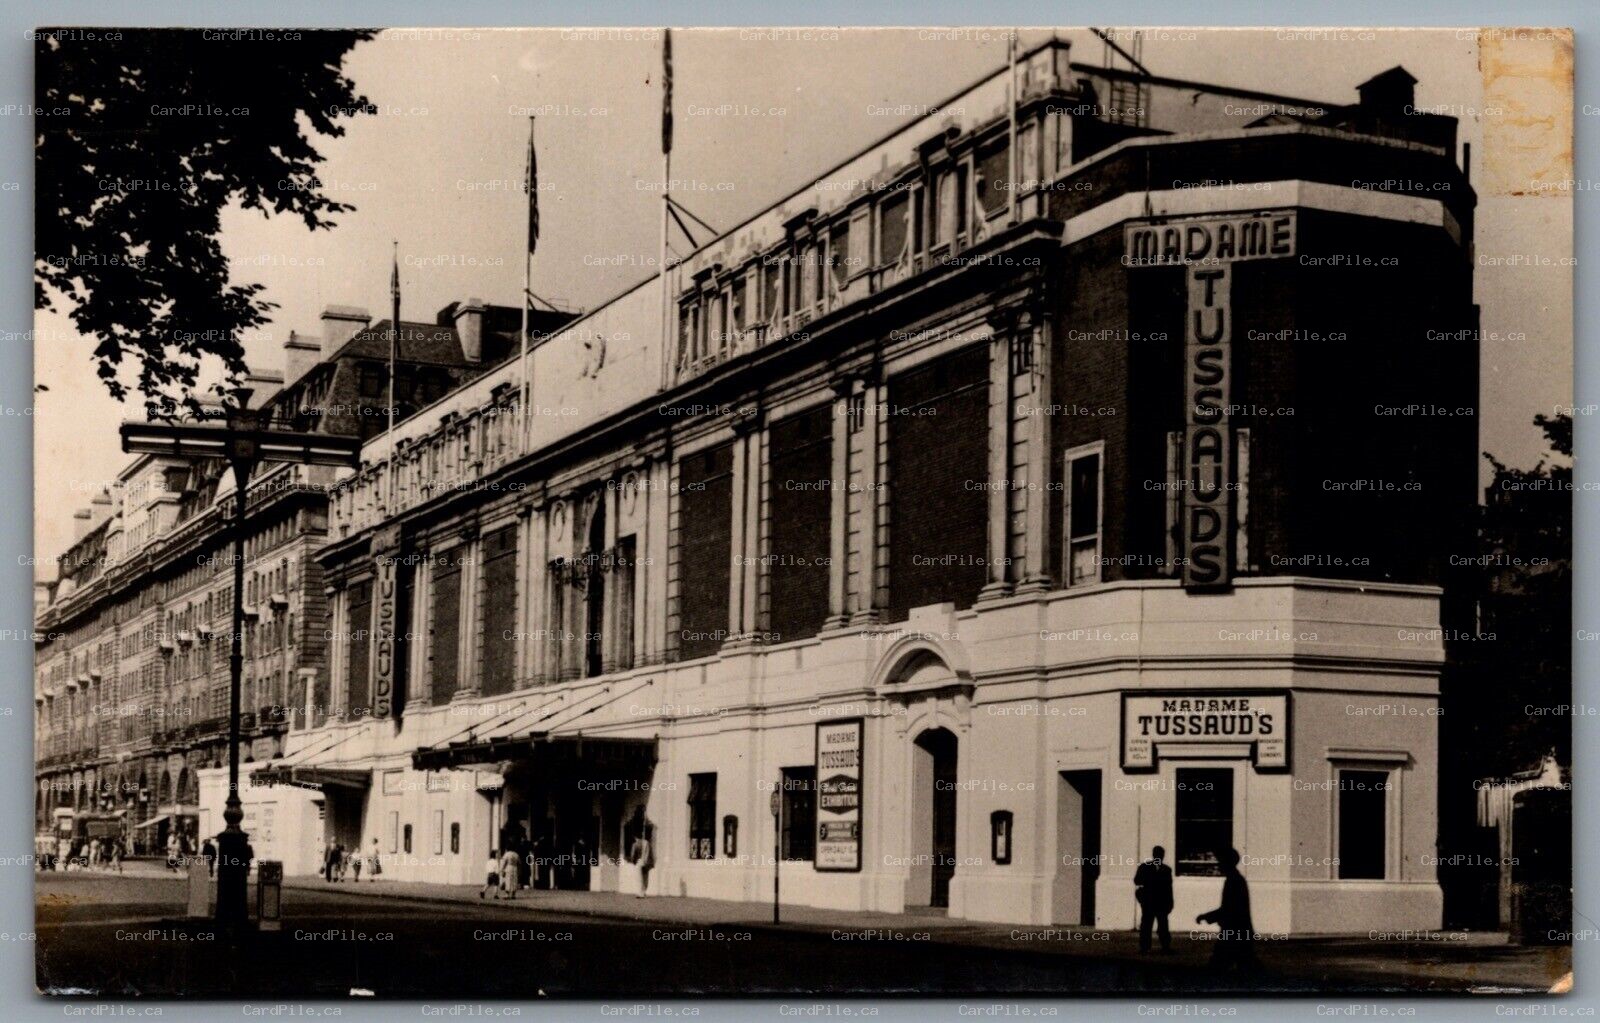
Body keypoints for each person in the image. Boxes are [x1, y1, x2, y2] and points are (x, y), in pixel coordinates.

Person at [1196, 847, 1256, 972]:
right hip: (1239, 930)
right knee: (1246, 965)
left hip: (1233, 930)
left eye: (1221, 862)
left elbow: (1229, 908)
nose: (1219, 865)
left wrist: (1207, 916)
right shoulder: (1236, 879)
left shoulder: (1233, 881)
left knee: (1219, 965)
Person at [1134, 845, 1174, 954]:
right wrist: (1142, 899)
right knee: (1147, 925)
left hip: (1161, 902)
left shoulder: (1166, 870)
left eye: (1160, 855)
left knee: (1163, 925)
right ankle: (1145, 947)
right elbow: (1137, 881)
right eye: (1158, 854)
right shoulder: (1145, 867)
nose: (1159, 857)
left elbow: (1169, 888)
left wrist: (1170, 903)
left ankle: (1165, 946)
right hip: (1149, 902)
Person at [630, 830, 653, 898]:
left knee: (639, 878)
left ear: (635, 837)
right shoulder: (646, 843)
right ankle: (644, 891)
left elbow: (633, 855)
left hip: (639, 861)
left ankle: (640, 893)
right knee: (645, 877)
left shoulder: (635, 844)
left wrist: (633, 861)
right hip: (646, 861)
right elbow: (650, 853)